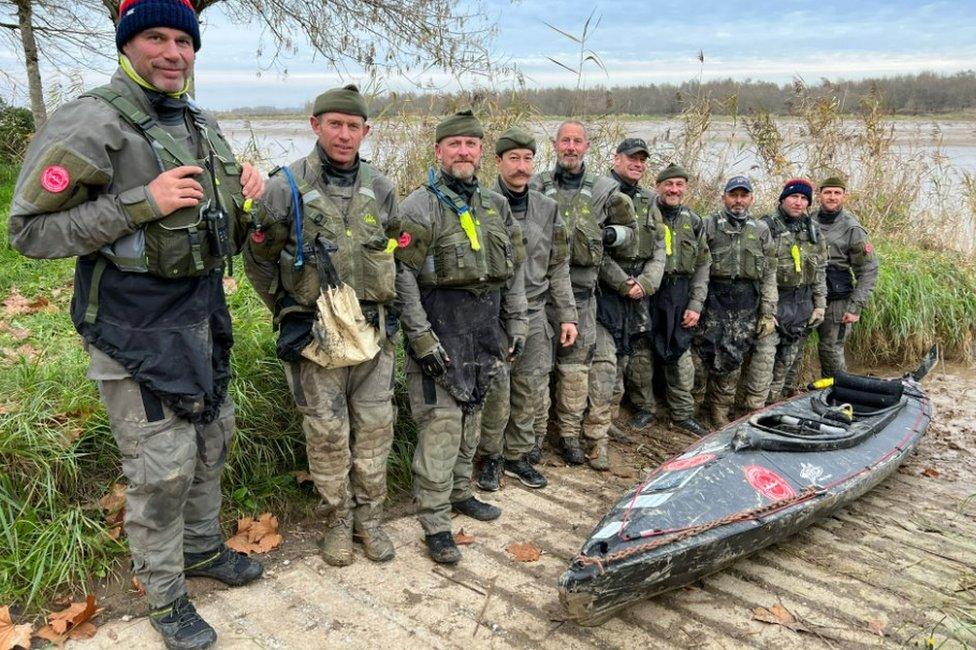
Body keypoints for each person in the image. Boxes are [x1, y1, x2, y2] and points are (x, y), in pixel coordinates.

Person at [8, 1, 264, 647]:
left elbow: (217, 228)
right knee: (162, 468)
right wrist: (137, 205)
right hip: (131, 327)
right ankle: (165, 594)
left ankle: (203, 550)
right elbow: (29, 232)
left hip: (202, 318)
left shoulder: (197, 121)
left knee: (212, 441)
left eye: (184, 39)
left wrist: (248, 199)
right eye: (156, 37)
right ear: (127, 44)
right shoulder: (93, 121)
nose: (173, 52)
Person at [243, 85, 400, 567]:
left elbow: (395, 246)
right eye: (335, 124)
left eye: (354, 126)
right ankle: (338, 520)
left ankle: (370, 520)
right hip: (315, 341)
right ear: (315, 125)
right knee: (328, 436)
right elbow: (258, 257)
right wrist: (287, 309)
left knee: (375, 433)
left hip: (372, 337)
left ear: (366, 132)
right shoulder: (283, 186)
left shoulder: (383, 188)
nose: (344, 134)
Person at [394, 111, 527, 564]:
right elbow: (403, 277)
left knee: (473, 417)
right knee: (442, 426)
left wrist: (519, 324)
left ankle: (458, 491)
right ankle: (434, 520)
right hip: (440, 325)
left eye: (471, 145)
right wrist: (421, 338)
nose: (464, 153)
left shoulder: (495, 205)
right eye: (455, 145)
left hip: (484, 328)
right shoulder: (419, 206)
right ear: (439, 151)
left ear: (480, 152)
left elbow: (514, 272)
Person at [475, 127, 577, 491]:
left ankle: (518, 456)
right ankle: (490, 457)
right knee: (495, 389)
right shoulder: (481, 202)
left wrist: (567, 315)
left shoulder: (548, 209)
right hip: (492, 314)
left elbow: (558, 264)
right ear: (498, 161)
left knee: (530, 388)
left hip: (535, 313)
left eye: (528, 159)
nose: (522, 167)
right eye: (514, 159)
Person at [530, 121, 636, 468]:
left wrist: (609, 235)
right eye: (565, 141)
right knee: (538, 369)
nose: (571, 147)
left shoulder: (606, 189)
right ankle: (532, 437)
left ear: (587, 146)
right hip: (543, 295)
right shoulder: (537, 184)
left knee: (575, 372)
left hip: (584, 296)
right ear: (555, 144)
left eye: (577, 141)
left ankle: (570, 436)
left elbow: (632, 233)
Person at [694, 176, 777, 426]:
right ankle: (695, 407)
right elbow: (698, 267)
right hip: (712, 300)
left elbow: (770, 273)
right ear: (724, 198)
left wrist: (767, 311)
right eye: (733, 195)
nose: (738, 200)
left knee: (733, 357)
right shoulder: (708, 225)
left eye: (743, 195)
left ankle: (720, 409)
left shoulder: (761, 230)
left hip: (745, 304)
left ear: (751, 198)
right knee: (701, 355)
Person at [600, 138, 665, 435]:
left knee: (632, 352)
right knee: (607, 355)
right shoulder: (601, 192)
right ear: (616, 159)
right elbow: (591, 248)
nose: (637, 164)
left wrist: (646, 283)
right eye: (631, 158)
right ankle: (603, 419)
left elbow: (660, 247)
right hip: (609, 290)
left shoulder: (649, 199)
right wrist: (622, 283)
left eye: (642, 160)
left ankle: (621, 412)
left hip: (640, 290)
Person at [747, 179, 827, 403]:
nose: (798, 202)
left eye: (804, 199)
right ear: (783, 199)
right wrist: (766, 311)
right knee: (764, 360)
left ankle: (773, 405)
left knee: (786, 362)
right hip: (774, 302)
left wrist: (820, 305)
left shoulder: (813, 231)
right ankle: (754, 407)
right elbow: (758, 272)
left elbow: (820, 270)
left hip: (802, 305)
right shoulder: (765, 227)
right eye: (794, 197)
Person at [649, 164, 710, 437]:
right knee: (642, 355)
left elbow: (703, 266)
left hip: (681, 293)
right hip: (651, 292)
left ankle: (682, 414)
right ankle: (645, 410)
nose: (674, 189)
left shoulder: (694, 221)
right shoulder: (647, 215)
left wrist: (695, 304)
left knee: (681, 357)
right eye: (668, 184)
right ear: (658, 185)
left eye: (679, 185)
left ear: (685, 187)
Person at [814, 175, 879, 377]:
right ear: (819, 196)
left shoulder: (852, 228)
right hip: (807, 295)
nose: (832, 197)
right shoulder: (808, 221)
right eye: (827, 192)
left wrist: (855, 307)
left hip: (837, 299)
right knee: (793, 350)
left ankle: (839, 397)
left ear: (844, 197)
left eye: (837, 193)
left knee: (831, 352)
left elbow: (868, 270)